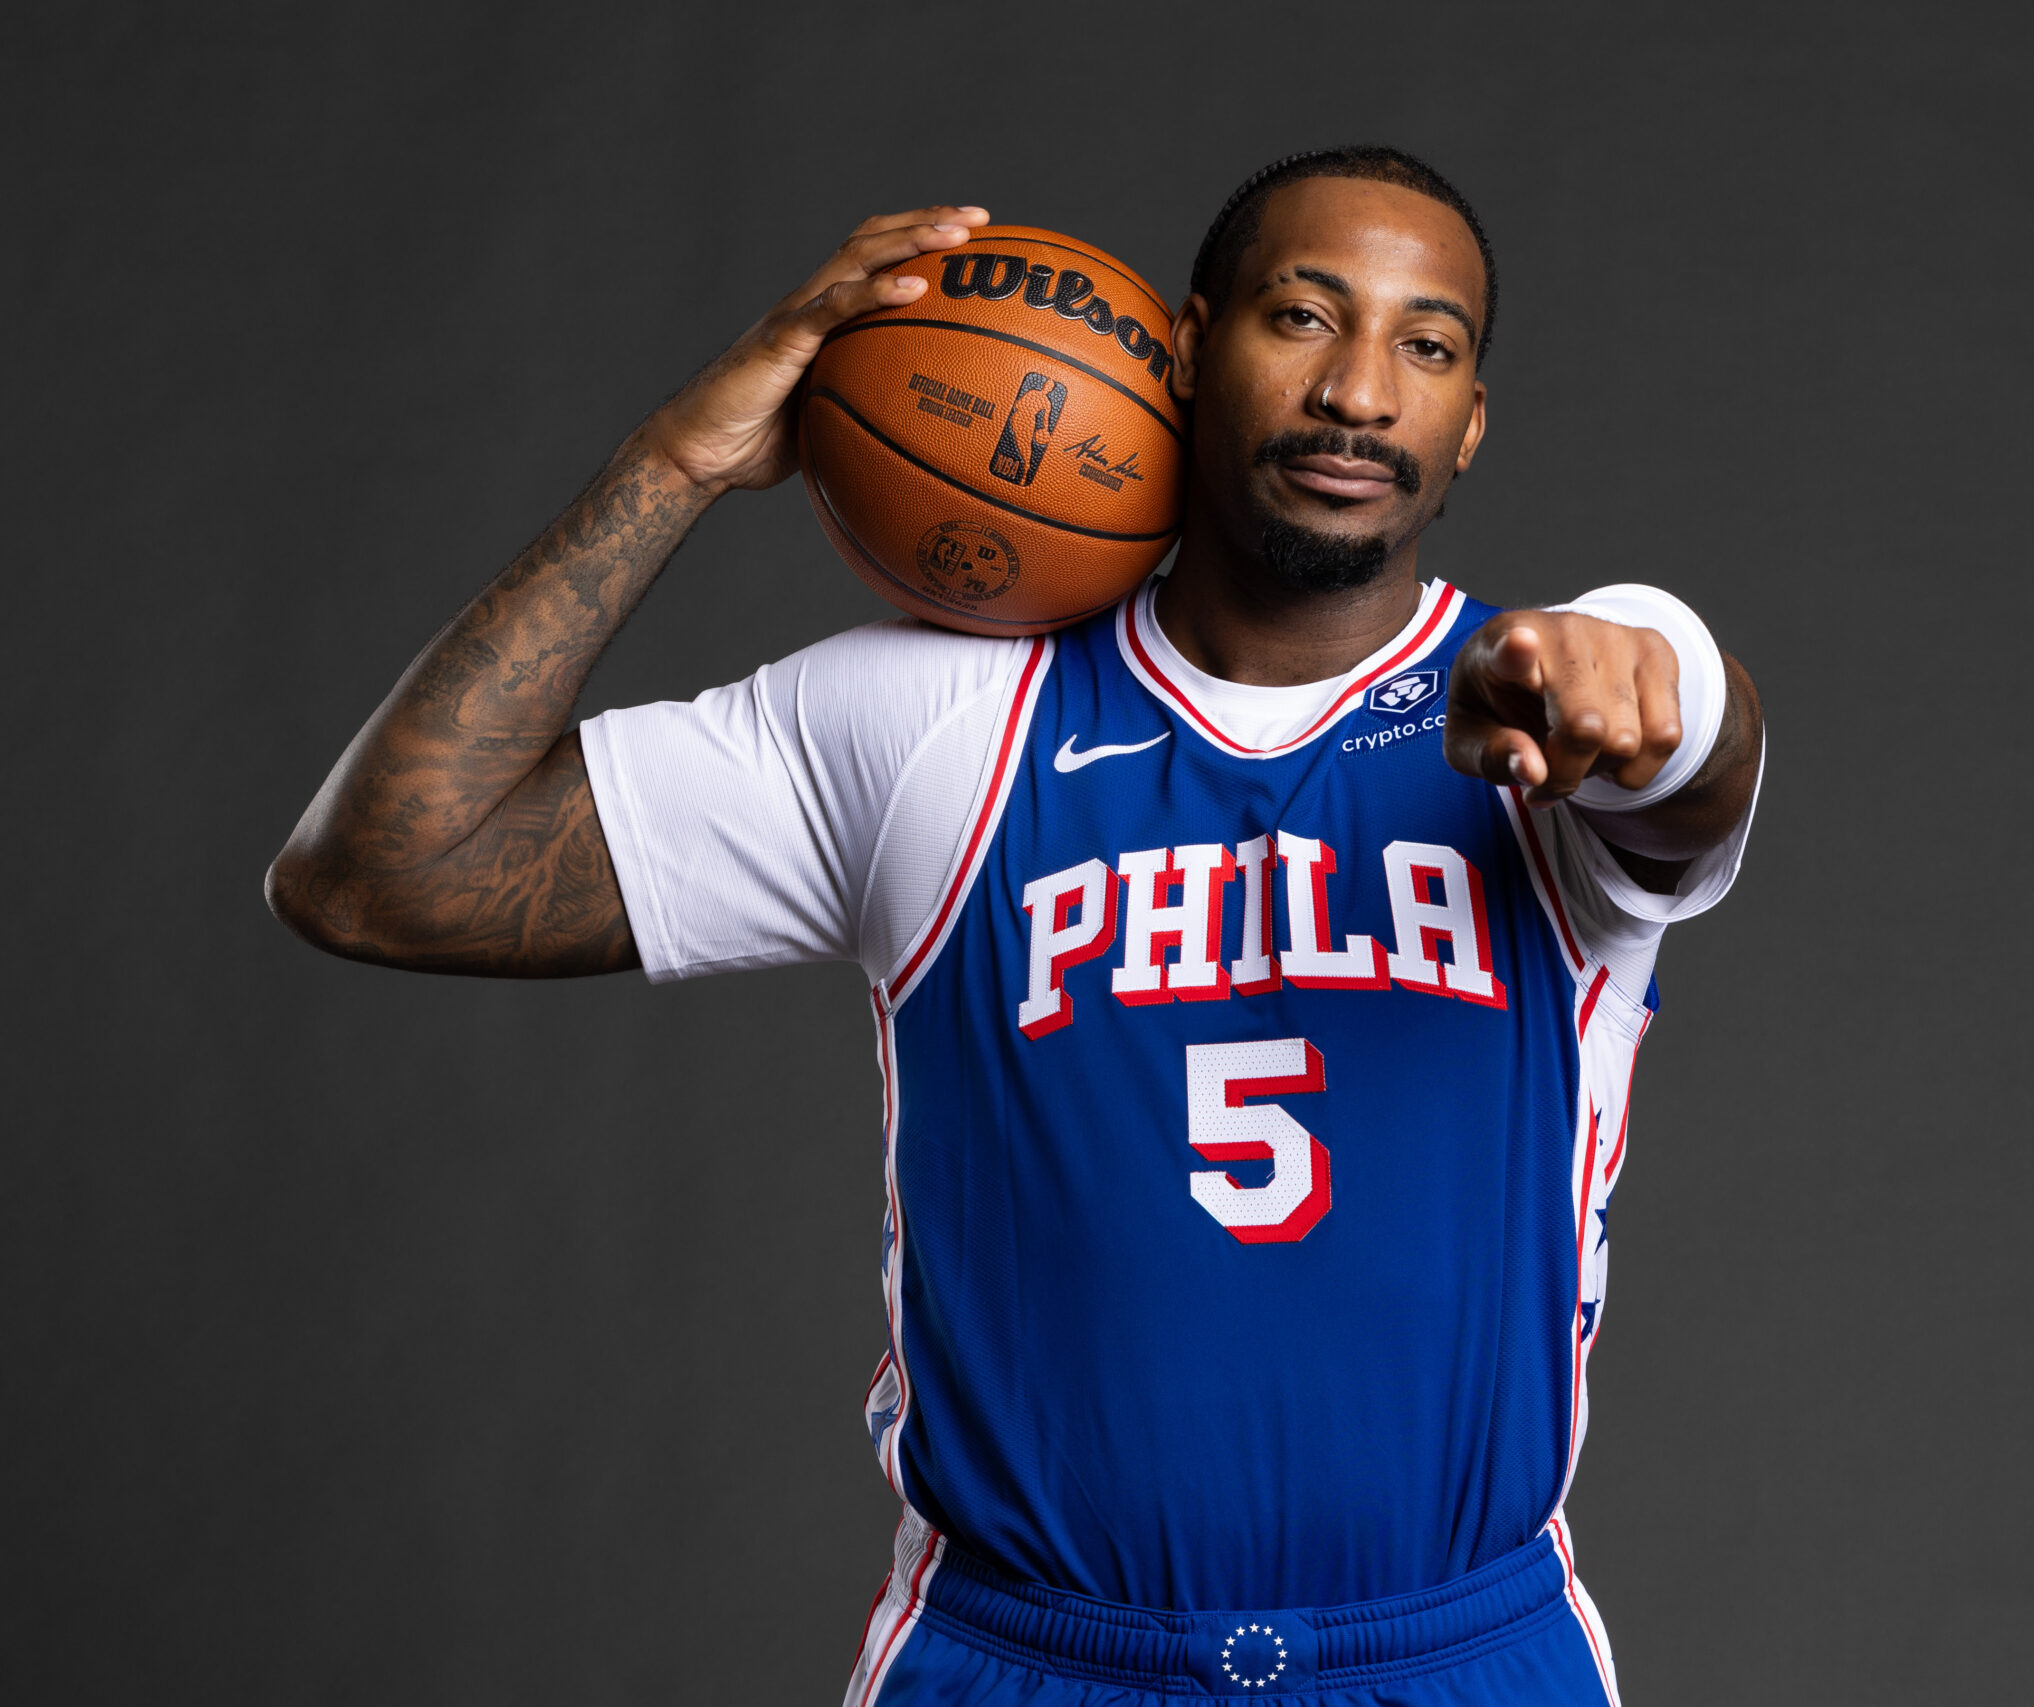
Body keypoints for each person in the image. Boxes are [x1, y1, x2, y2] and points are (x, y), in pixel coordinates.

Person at [269, 146, 1765, 1706]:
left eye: (1428, 345)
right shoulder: (934, 718)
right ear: (1186, 350)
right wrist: (675, 465)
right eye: (1305, 318)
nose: (1360, 393)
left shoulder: (1547, 735)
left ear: (1471, 421)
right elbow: (379, 871)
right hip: (1026, 1660)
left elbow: (1692, 762)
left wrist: (1664, 657)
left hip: (1460, 1653)